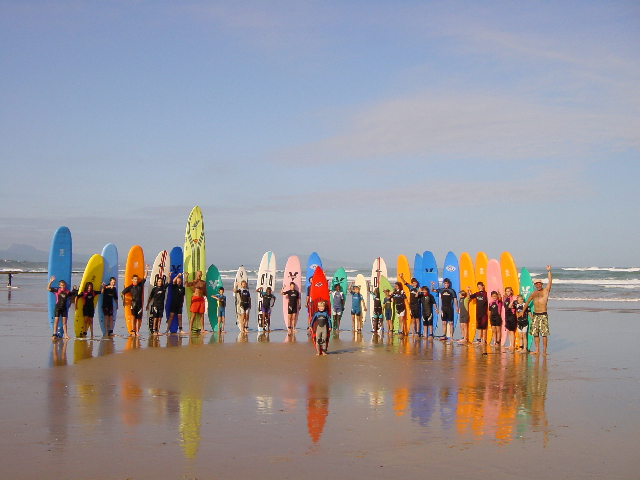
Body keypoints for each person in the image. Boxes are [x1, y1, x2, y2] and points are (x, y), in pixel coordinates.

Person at [524, 266, 553, 355]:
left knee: (544, 334)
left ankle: (544, 351)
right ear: (535, 285)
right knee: (535, 333)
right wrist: (522, 311)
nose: (538, 285)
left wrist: (548, 271)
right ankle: (537, 350)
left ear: (541, 284)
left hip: (543, 314)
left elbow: (550, 281)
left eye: (539, 283)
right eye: (536, 284)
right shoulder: (533, 293)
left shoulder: (545, 291)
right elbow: (527, 302)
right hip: (535, 315)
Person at [120, 265, 149, 336]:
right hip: (133, 303)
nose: (135, 280)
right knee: (133, 317)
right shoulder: (130, 287)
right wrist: (124, 301)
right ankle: (133, 331)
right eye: (134, 279)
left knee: (139, 318)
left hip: (139, 303)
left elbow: (145, 277)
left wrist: (146, 269)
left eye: (136, 279)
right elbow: (121, 293)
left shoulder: (140, 285)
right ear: (132, 280)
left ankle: (137, 331)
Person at [186, 270, 207, 334]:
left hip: (201, 299)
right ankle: (190, 329)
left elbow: (205, 291)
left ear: (201, 275)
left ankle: (202, 329)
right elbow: (186, 285)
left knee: (202, 315)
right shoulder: (194, 282)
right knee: (193, 314)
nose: (199, 276)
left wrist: (208, 297)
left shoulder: (203, 283)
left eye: (200, 275)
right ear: (196, 275)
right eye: (198, 274)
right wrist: (186, 277)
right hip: (195, 298)